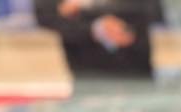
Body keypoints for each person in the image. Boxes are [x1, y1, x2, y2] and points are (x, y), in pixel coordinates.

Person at [34, 0, 164, 85]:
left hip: (136, 72)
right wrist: (93, 28)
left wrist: (88, 6)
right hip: (87, 74)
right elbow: (46, 15)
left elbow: (154, 9)